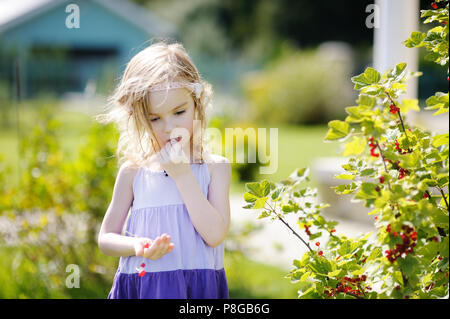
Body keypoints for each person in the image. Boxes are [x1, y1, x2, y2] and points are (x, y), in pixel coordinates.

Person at [96, 40, 231, 299]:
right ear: (138, 118)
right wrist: (136, 245)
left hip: (196, 289)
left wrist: (183, 176)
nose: (168, 127)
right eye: (154, 118)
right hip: (145, 287)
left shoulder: (215, 168)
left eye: (179, 112)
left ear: (197, 105)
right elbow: (106, 238)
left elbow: (214, 235)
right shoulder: (133, 172)